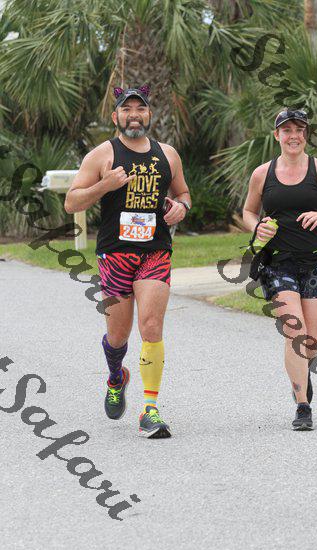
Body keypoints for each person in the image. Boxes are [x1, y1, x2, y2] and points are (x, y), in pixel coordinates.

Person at [65, 85, 191, 438]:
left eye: (140, 109)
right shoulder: (101, 155)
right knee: (118, 336)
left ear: (149, 114)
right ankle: (116, 376)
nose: (134, 115)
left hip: (155, 252)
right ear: (115, 116)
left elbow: (183, 192)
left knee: (151, 326)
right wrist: (103, 186)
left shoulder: (168, 155)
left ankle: (150, 409)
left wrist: (182, 207)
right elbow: (72, 203)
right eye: (126, 109)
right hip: (115, 255)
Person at [242, 108, 317, 430]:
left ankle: (303, 373)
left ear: (306, 134)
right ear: (276, 135)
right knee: (295, 332)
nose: (293, 136)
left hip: (316, 261)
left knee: (312, 341)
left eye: (299, 130)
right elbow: (248, 212)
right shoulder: (262, 174)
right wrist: (258, 226)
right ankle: (302, 406)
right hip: (278, 263)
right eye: (287, 130)